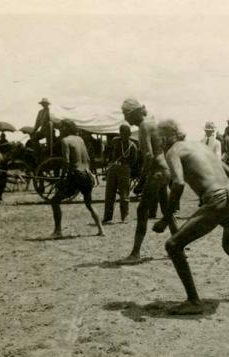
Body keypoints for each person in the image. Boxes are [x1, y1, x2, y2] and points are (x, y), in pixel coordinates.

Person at [152, 119, 229, 315]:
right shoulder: (200, 146)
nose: (159, 144)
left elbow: (178, 184)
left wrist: (166, 217)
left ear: (165, 138)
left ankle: (193, 301)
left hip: (218, 200)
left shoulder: (173, 151)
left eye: (159, 139)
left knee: (172, 245)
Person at [116, 98, 179, 265]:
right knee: (166, 211)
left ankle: (135, 254)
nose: (125, 118)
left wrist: (141, 180)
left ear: (134, 113)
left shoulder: (144, 126)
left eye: (126, 114)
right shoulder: (153, 123)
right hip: (166, 170)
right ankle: (179, 246)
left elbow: (149, 155)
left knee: (142, 210)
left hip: (157, 172)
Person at [49, 119, 104, 238]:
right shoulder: (80, 139)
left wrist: (62, 179)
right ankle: (101, 230)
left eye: (61, 127)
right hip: (88, 175)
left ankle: (58, 231)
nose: (60, 130)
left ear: (66, 128)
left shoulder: (65, 141)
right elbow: (88, 159)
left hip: (76, 175)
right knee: (89, 204)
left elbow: (67, 162)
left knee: (55, 201)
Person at [103, 124, 138, 224]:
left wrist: (125, 166)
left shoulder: (132, 146)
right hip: (113, 168)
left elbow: (133, 160)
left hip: (125, 169)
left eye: (126, 133)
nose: (124, 135)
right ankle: (108, 217)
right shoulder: (115, 141)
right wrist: (109, 162)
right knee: (110, 192)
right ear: (119, 133)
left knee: (124, 194)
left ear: (129, 134)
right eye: (122, 133)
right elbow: (108, 152)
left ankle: (125, 217)